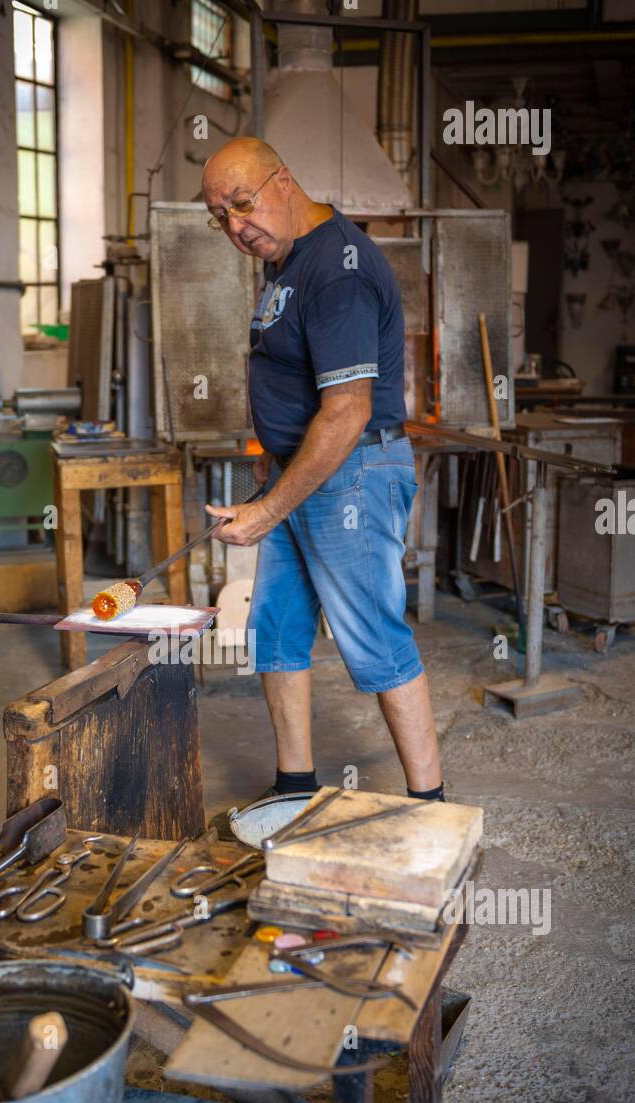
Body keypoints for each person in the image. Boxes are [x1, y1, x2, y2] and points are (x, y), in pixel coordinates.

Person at [202, 137, 444, 803]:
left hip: (354, 473)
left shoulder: (337, 269)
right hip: (300, 474)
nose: (235, 227)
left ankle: (430, 804)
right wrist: (275, 475)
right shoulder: (286, 259)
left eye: (242, 204)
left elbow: (345, 411)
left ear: (283, 179)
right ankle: (294, 787)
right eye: (219, 216)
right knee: (275, 629)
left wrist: (269, 509)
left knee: (373, 634)